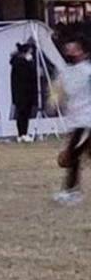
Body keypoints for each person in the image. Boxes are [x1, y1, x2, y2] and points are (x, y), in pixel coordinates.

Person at [54, 38, 91, 204]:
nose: (69, 52)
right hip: (75, 121)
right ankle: (72, 190)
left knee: (71, 156)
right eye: (67, 49)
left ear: (83, 52)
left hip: (86, 121)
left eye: (74, 49)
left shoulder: (88, 72)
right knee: (79, 155)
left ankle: (71, 190)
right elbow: (59, 93)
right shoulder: (66, 72)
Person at [10, 41, 38, 142]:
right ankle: (22, 133)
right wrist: (30, 63)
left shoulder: (17, 63)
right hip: (23, 93)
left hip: (21, 93)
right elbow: (29, 76)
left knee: (23, 114)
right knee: (23, 114)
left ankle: (22, 133)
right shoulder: (21, 63)